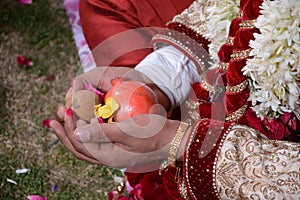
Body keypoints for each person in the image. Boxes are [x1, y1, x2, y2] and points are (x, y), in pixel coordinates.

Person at [50, 0, 300, 199]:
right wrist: (152, 82)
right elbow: (233, 10)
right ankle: (152, 120)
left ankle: (152, 134)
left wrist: (179, 142)